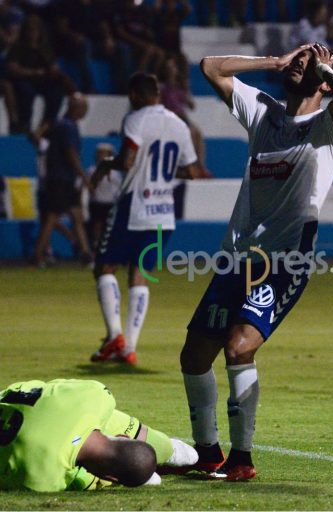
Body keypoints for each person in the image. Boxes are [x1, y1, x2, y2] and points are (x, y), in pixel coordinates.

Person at [180, 42, 333, 481]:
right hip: (237, 257)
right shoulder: (264, 112)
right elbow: (210, 67)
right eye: (298, 57)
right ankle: (208, 453)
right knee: (194, 356)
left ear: (324, 79)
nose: (300, 62)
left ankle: (242, 459)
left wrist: (325, 70)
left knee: (240, 346)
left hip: (285, 260)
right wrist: (273, 62)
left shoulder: (328, 126)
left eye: (309, 60)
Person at [89, 72, 199, 366]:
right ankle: (129, 348)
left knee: (104, 267)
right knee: (141, 275)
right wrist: (160, 171)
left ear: (134, 95)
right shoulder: (179, 124)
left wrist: (106, 164)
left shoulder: (135, 119)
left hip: (133, 204)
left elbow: (127, 161)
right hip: (163, 212)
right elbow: (191, 171)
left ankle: (115, 335)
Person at [0, 378, 198, 491]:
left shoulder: (98, 395)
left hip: (11, 397)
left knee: (92, 415)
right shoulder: (45, 480)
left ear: (123, 436)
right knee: (85, 478)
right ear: (111, 478)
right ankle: (166, 450)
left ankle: (157, 455)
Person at [32, 92, 93, 268]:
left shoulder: (60, 124)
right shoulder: (68, 126)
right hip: (61, 178)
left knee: (76, 216)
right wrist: (84, 177)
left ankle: (86, 254)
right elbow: (71, 154)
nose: (86, 111)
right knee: (52, 217)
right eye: (84, 107)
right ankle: (38, 255)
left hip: (62, 177)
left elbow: (38, 137)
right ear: (76, 108)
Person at [86, 142, 121, 251]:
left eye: (105, 154)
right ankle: (96, 245)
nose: (102, 156)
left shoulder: (115, 173)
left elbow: (118, 190)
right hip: (96, 203)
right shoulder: (91, 170)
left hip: (110, 203)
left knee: (109, 227)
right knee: (97, 225)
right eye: (100, 153)